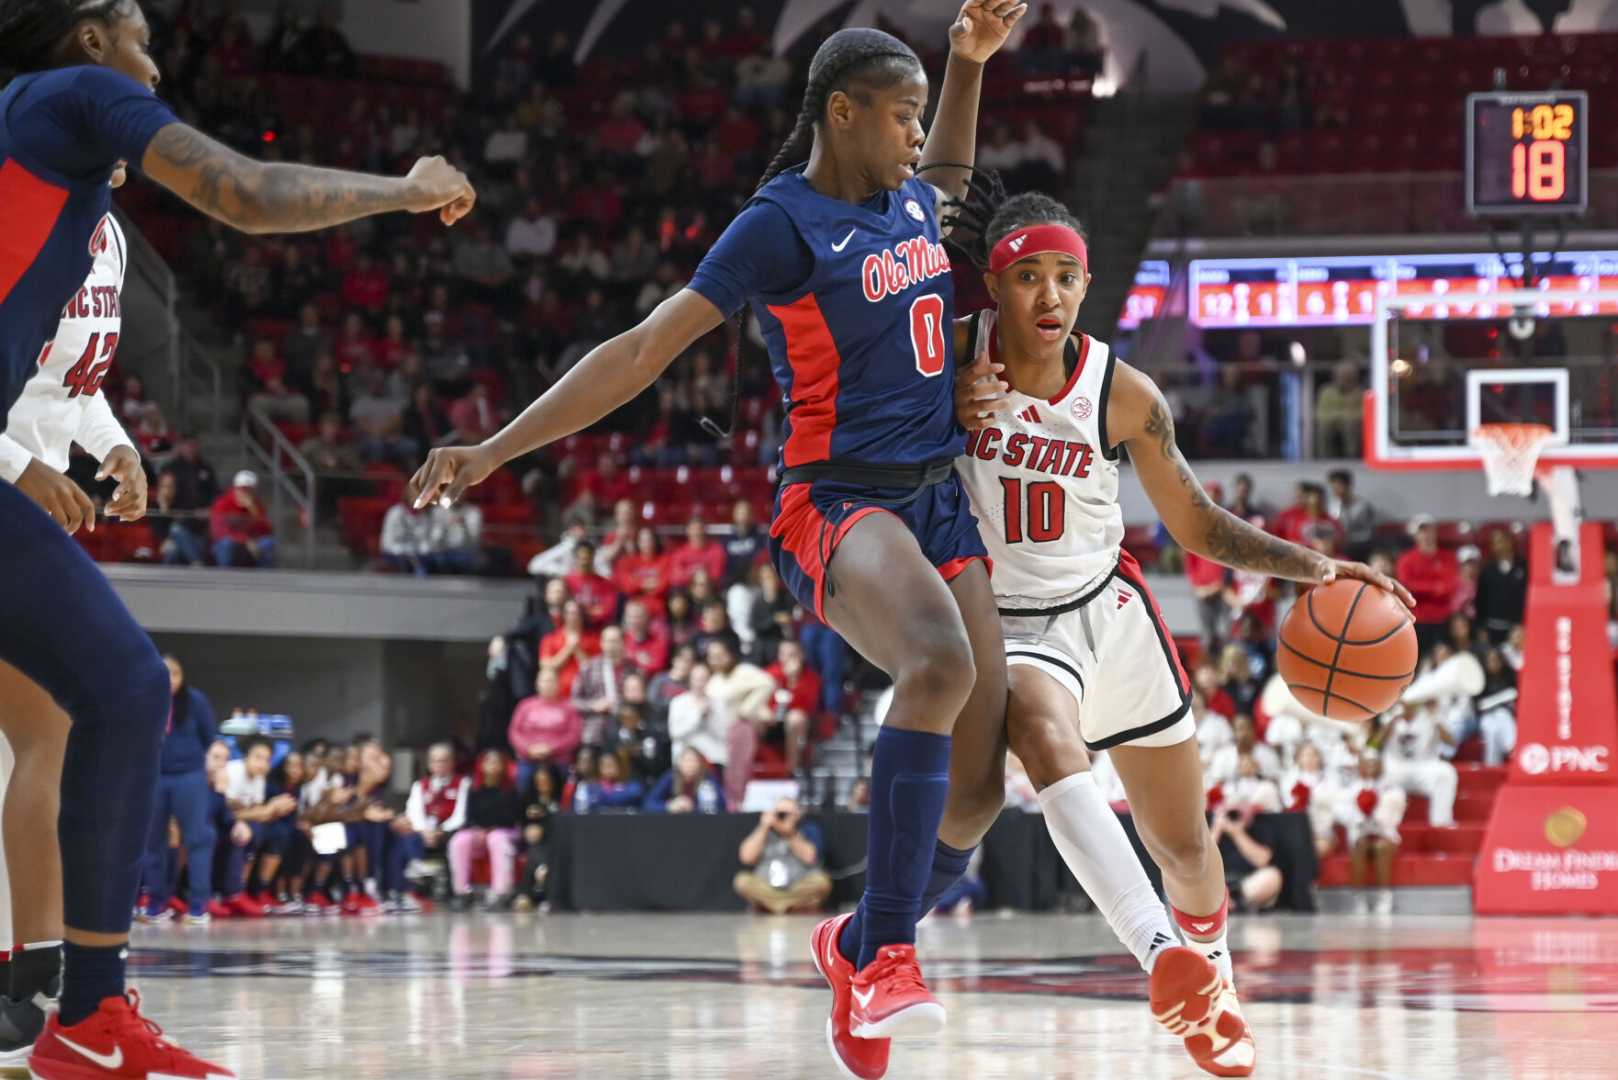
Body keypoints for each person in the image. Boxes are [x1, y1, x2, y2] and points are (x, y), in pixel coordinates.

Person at [407, 17, 1029, 1076]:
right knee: (936, 661)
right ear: (841, 111)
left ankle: (856, 941)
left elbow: (953, 170)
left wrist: (969, 56)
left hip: (936, 499)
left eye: (923, 115)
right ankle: (884, 958)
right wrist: (498, 449)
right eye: (901, 112)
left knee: (978, 790)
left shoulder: (912, 200)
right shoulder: (779, 225)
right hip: (837, 502)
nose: (918, 135)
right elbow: (645, 349)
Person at [948, 180, 1413, 1077]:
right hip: (1010, 618)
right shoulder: (947, 362)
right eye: (1029, 277)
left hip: (1110, 613)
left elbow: (1197, 523)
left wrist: (1317, 566)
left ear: (1086, 285)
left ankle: (1216, 987)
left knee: (1187, 844)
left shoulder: (1122, 391)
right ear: (994, 286)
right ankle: (1165, 956)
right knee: (1046, 743)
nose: (1050, 297)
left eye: (1067, 277)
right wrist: (942, 417)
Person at [0, 181, 145, 1065]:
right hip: (11, 500)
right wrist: (18, 467)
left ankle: (35, 975)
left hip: (32, 513)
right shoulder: (18, 208)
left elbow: (69, 384)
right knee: (52, 733)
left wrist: (116, 446)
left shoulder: (108, 235)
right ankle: (45, 978)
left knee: (38, 740)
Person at [447, 750, 524, 911]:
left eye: (496, 762)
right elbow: (469, 816)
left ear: (503, 767)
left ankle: (501, 893)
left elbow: (512, 818)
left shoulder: (511, 790)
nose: (492, 766)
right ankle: (461, 892)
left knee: (496, 839)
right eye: (488, 762)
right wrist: (476, 829)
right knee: (459, 841)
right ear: (482, 766)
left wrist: (490, 829)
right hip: (479, 832)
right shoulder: (474, 789)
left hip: (505, 831)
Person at [733, 797, 832, 914]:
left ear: (797, 815)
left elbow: (810, 858)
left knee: (822, 881)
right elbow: (746, 857)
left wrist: (790, 833)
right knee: (742, 881)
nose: (781, 817)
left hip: (797, 887)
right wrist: (763, 827)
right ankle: (788, 906)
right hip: (767, 887)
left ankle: (775, 906)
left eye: (786, 814)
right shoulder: (764, 831)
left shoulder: (807, 829)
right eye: (778, 814)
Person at [1337, 752, 1406, 916]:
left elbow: (1396, 813)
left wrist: (1376, 820)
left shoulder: (1392, 788)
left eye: (1375, 762)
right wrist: (1360, 819)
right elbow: (1341, 812)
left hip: (1385, 833)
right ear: (1359, 765)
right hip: (1359, 833)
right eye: (1367, 763)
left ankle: (1385, 895)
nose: (1371, 766)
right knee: (1360, 845)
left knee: (1381, 846)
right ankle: (1358, 897)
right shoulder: (1351, 788)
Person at [508, 668, 582, 795]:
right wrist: (528, 749)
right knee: (523, 789)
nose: (548, 684)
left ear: (558, 683)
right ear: (537, 683)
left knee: (563, 792)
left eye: (551, 681)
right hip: (528, 758)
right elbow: (514, 732)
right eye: (544, 681)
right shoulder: (525, 705)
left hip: (559, 760)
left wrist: (551, 748)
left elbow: (574, 735)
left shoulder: (569, 707)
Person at [1397, 515, 1460, 655]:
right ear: (1416, 535)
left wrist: (1423, 588)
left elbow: (1449, 586)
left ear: (1435, 533)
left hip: (1442, 620)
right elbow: (1406, 586)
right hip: (1417, 619)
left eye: (1429, 530)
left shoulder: (1448, 558)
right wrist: (1434, 588)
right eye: (1422, 531)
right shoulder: (1406, 559)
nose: (1426, 535)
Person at [208, 468, 275, 567]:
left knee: (267, 543)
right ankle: (224, 576)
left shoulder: (256, 504)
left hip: (251, 542)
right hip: (228, 542)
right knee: (227, 544)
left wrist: (253, 510)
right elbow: (218, 532)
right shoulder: (223, 503)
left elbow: (266, 530)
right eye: (243, 489)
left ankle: (265, 577)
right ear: (236, 488)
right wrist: (245, 540)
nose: (246, 492)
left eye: (250, 489)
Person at [643, 746, 727, 813]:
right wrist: (669, 806)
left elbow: (720, 805)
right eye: (687, 761)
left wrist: (693, 808)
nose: (690, 765)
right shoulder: (671, 777)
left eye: (694, 761)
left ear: (700, 764)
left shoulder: (707, 780)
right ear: (679, 763)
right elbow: (649, 804)